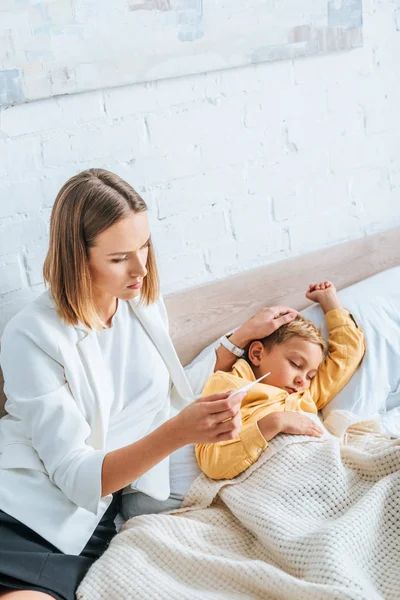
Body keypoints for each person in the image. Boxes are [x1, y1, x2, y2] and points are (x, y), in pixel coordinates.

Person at [0, 168, 299, 600]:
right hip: (25, 509)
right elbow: (73, 475)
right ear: (76, 257)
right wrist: (178, 434)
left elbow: (169, 395)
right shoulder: (31, 335)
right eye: (120, 258)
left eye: (144, 247)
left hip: (91, 519)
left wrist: (236, 341)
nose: (141, 268)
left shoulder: (139, 302)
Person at [196, 281, 366, 480]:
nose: (303, 380)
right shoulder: (229, 388)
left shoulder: (305, 394)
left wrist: (329, 300)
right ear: (258, 353)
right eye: (295, 364)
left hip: (324, 470)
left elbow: (348, 353)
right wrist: (274, 423)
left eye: (311, 375)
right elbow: (212, 462)